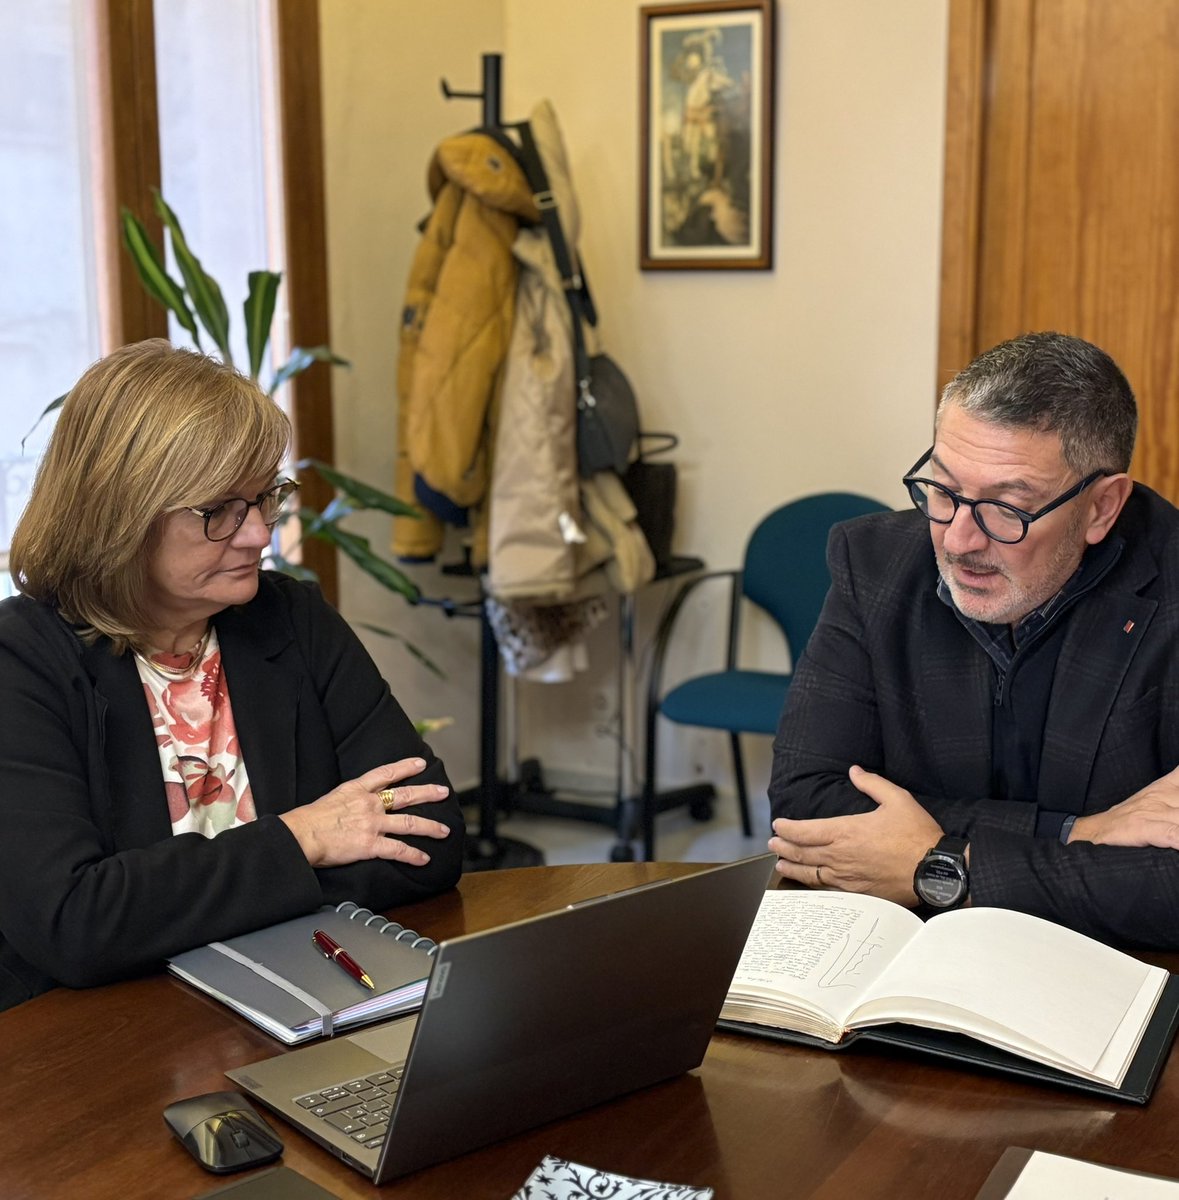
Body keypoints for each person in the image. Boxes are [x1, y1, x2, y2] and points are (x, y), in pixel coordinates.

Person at [0, 339, 464, 1011]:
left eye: (265, 497)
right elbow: (75, 924)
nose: (259, 535)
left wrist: (170, 904)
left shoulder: (290, 618)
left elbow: (431, 835)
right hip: (95, 1042)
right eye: (219, 510)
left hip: (297, 1000)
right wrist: (306, 839)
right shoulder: (23, 660)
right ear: (119, 512)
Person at [768, 330, 1179, 949]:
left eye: (1007, 508)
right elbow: (806, 806)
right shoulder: (874, 564)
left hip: (1107, 974)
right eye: (943, 489)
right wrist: (1077, 832)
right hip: (900, 951)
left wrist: (937, 865)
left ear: (1101, 507)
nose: (959, 540)